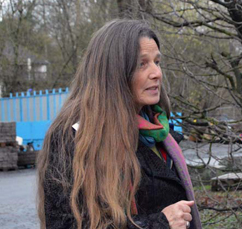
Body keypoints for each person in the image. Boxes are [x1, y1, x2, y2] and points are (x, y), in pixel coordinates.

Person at [37, 19, 202, 229]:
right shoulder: (74, 137)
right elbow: (64, 225)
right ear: (114, 73)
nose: (157, 73)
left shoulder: (159, 133)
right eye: (142, 64)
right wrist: (159, 224)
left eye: (157, 62)